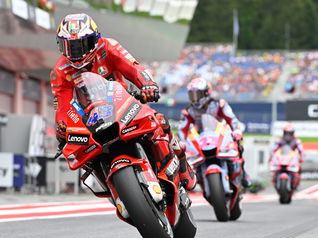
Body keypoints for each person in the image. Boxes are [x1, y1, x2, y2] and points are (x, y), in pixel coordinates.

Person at [51, 13, 195, 191]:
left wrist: (147, 84)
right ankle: (113, 187)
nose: (76, 51)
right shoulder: (60, 69)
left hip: (124, 103)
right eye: (70, 46)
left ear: (95, 39)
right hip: (91, 118)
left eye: (82, 44)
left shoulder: (108, 46)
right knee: (81, 152)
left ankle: (181, 165)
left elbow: (133, 68)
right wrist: (65, 127)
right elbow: (62, 105)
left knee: (160, 122)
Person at [178, 77, 251, 188]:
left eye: (198, 94)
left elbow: (231, 119)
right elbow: (182, 129)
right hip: (202, 139)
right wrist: (182, 142)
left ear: (207, 92)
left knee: (239, 144)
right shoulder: (188, 111)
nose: (195, 99)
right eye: (192, 95)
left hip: (221, 135)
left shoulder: (219, 104)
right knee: (186, 157)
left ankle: (243, 173)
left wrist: (236, 130)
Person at [270, 124, 304, 189]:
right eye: (286, 133)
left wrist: (301, 158)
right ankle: (275, 180)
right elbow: (274, 150)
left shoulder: (296, 141)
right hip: (282, 158)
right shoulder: (279, 140)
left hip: (292, 158)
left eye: (290, 133)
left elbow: (301, 150)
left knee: (299, 168)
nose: (288, 135)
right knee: (275, 168)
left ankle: (298, 182)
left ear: (292, 133)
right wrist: (272, 157)